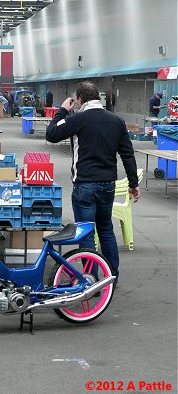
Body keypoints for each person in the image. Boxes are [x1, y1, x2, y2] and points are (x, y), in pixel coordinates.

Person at [46, 81, 140, 285]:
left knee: (87, 233)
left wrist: (62, 110)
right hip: (108, 185)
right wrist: (133, 183)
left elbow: (51, 134)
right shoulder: (117, 121)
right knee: (106, 229)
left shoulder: (78, 119)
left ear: (79, 99)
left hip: (85, 185)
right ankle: (112, 276)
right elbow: (127, 154)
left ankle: (91, 280)